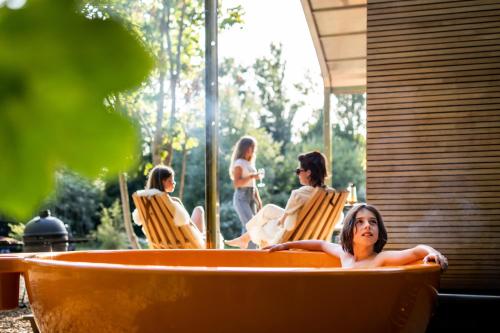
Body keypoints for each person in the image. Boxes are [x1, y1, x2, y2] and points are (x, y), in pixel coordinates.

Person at [265, 203, 448, 270]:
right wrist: (286, 245)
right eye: (360, 222)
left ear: (379, 231)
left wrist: (434, 254)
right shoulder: (345, 255)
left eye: (373, 222)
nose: (367, 225)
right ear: (348, 230)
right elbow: (320, 244)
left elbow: (416, 251)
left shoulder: (380, 260)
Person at [225, 151, 328, 249]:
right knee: (268, 209)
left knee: (268, 224)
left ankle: (245, 238)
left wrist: (277, 221)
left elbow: (284, 223)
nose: (298, 174)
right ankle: (245, 238)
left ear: (308, 173)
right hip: (309, 230)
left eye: (298, 171)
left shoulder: (299, 194)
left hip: (294, 235)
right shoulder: (328, 194)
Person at [133, 165, 205, 238]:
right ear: (163, 182)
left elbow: (139, 222)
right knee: (199, 210)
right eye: (171, 180)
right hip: (183, 241)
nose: (174, 183)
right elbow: (187, 223)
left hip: (161, 243)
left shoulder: (145, 204)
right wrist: (201, 236)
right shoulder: (173, 202)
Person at [229, 136, 263, 239]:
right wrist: (252, 176)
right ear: (243, 148)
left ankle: (248, 252)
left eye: (252, 148)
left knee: (252, 225)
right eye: (249, 147)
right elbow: (237, 183)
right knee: (250, 225)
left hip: (251, 195)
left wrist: (259, 200)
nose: (251, 150)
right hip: (242, 196)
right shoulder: (239, 163)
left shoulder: (249, 163)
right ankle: (251, 253)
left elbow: (252, 184)